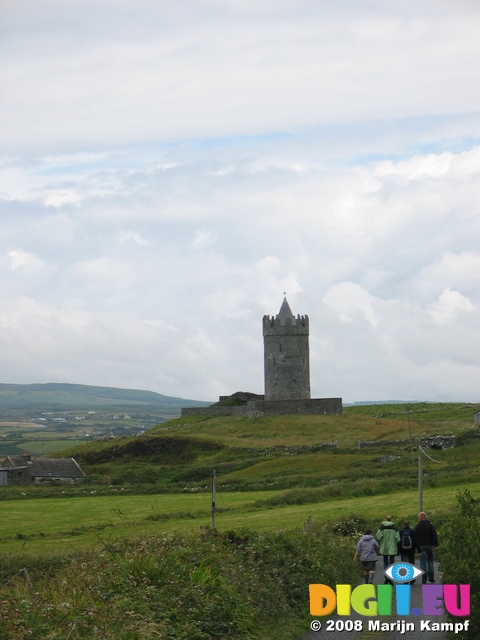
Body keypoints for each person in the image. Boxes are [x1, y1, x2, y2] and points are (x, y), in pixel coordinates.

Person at [414, 511, 438, 584]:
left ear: (421, 517)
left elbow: (415, 538)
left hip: (421, 546)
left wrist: (417, 549)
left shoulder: (418, 526)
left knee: (423, 562)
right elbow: (434, 535)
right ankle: (431, 578)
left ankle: (424, 579)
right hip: (429, 545)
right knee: (430, 561)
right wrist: (435, 545)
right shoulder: (430, 525)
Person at [376, 516, 400, 583]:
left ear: (385, 520)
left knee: (385, 562)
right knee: (392, 563)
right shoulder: (394, 527)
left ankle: (386, 576)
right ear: (391, 520)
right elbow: (398, 538)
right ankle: (391, 578)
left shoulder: (382, 527)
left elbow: (378, 536)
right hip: (392, 547)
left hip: (384, 547)